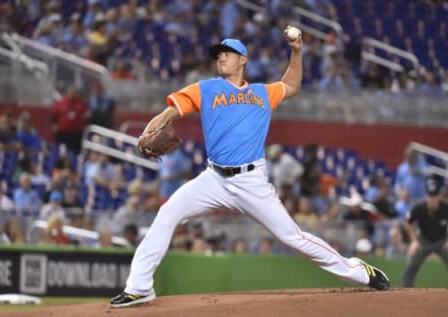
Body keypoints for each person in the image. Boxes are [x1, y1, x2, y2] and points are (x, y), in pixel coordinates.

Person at [110, 27, 389, 308]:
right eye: (218, 55)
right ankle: (139, 287)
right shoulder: (205, 88)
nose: (221, 58)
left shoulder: (261, 93)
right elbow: (169, 111)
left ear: (242, 59)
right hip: (214, 178)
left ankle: (358, 272)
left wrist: (296, 51)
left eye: (227, 54)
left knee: (293, 238)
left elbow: (291, 86)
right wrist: (146, 134)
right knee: (168, 213)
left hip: (251, 180)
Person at [401, 178, 448, 289]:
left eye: (435, 196)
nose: (433, 199)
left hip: (442, 241)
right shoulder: (419, 208)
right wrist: (414, 241)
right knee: (412, 264)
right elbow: (408, 223)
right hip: (424, 241)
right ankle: (404, 289)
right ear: (426, 196)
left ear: (439, 196)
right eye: (430, 196)